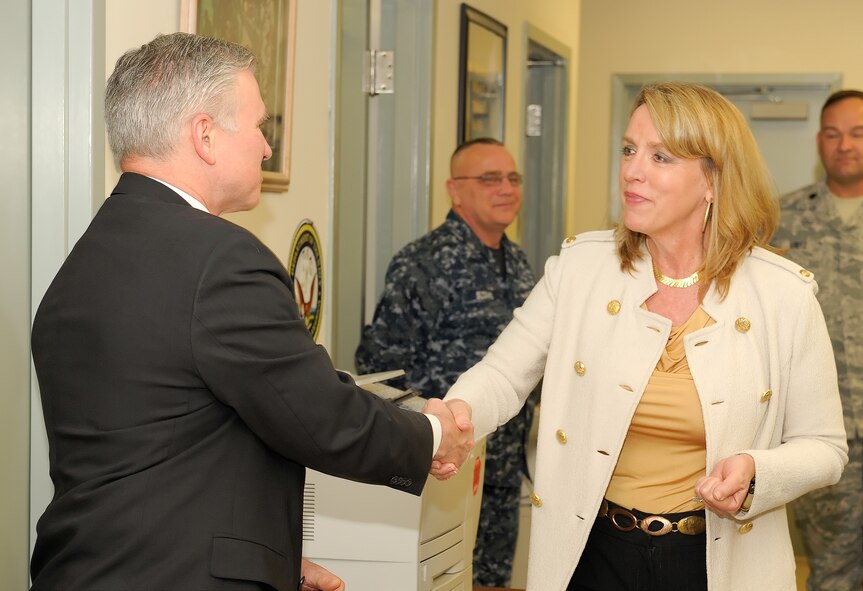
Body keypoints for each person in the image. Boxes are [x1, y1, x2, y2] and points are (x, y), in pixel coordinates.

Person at [29, 32, 473, 591]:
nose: (266, 147)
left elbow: (161, 446)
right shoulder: (219, 259)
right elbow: (318, 415)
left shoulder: (85, 259)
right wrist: (432, 436)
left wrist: (272, 563)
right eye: (260, 125)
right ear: (205, 135)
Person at [440, 82, 849, 591]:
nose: (633, 170)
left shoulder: (782, 295)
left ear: (713, 180)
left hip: (716, 560)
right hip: (592, 553)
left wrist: (756, 471)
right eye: (629, 150)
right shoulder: (580, 269)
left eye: (660, 156)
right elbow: (503, 375)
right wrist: (452, 416)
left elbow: (824, 447)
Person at [355, 138, 536, 587]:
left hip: (501, 465)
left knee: (491, 580)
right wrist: (424, 437)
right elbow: (381, 368)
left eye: (513, 178)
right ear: (455, 190)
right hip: (443, 469)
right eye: (490, 179)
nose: (506, 189)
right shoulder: (424, 263)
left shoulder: (517, 262)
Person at [772, 89, 863, 591]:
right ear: (819, 142)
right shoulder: (781, 219)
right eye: (833, 134)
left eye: (858, 133)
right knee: (830, 573)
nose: (844, 145)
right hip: (823, 432)